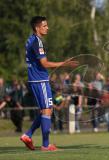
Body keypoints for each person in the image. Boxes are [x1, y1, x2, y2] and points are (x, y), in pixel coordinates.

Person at [20, 16, 78, 151]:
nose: (47, 28)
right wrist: (63, 64)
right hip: (40, 80)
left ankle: (27, 135)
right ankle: (46, 145)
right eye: (44, 26)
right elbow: (44, 63)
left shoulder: (30, 40)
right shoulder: (37, 42)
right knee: (47, 110)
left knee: (45, 110)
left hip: (34, 80)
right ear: (37, 28)